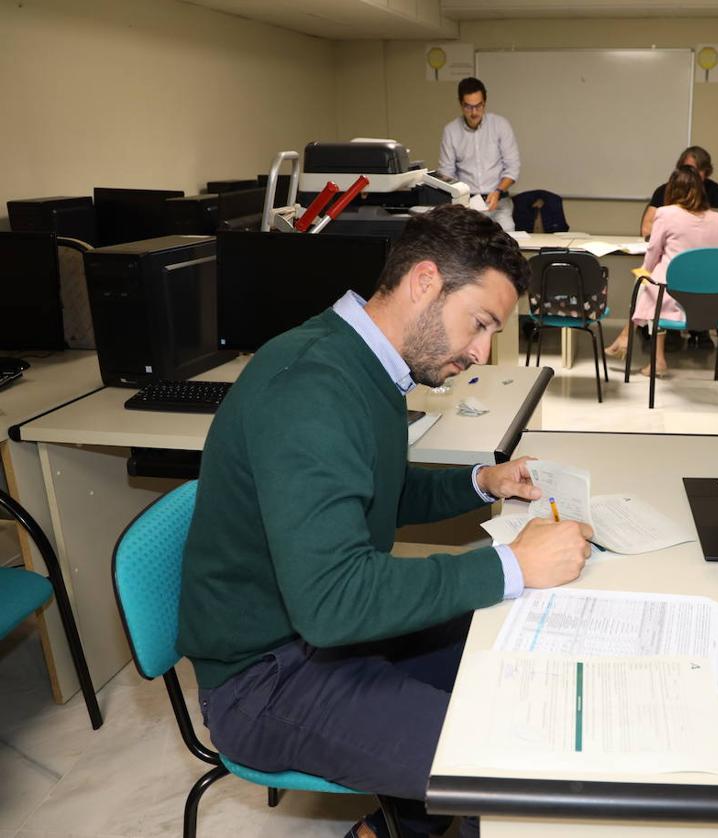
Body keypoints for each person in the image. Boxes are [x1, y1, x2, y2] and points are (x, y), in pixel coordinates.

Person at [177, 205, 592, 838]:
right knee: (503, 761)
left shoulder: (364, 364)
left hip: (321, 636)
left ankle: (392, 828)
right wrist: (510, 563)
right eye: (479, 324)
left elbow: (376, 494)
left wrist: (481, 480)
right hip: (264, 679)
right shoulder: (313, 388)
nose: (480, 353)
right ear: (424, 281)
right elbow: (335, 603)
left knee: (515, 651)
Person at [605, 165, 718, 375]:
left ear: (672, 190)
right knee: (655, 283)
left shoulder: (666, 213)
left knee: (648, 283)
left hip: (673, 296)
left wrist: (644, 272)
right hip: (709, 299)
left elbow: (653, 252)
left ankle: (633, 340)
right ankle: (653, 356)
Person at [439, 77, 521, 232]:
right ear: (461, 104)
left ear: (485, 102)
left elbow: (513, 167)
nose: (474, 112)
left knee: (507, 236)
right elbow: (446, 172)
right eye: (468, 107)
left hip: (498, 201)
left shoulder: (500, 125)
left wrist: (498, 191)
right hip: (466, 206)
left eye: (478, 106)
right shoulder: (451, 131)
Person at [640, 146, 718, 238]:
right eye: (689, 169)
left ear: (706, 172)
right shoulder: (664, 190)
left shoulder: (716, 191)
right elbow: (646, 228)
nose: (694, 174)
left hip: (703, 246)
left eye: (699, 169)